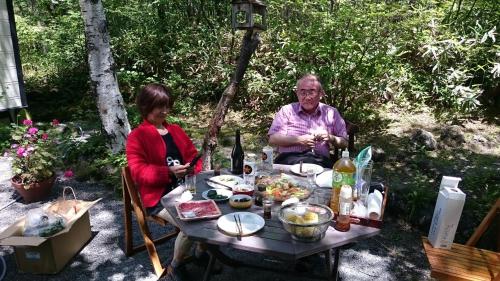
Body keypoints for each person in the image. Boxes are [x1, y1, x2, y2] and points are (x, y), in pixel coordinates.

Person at [126, 83, 202, 281]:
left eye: (167, 106)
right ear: (146, 106)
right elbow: (138, 172)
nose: (165, 111)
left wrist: (193, 167)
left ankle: (201, 253)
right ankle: (174, 267)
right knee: (193, 222)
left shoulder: (175, 130)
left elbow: (194, 156)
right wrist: (168, 173)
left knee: (217, 209)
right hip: (159, 198)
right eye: (160, 106)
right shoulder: (137, 136)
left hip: (187, 189)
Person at [268, 74, 348, 168]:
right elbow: (273, 139)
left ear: (321, 94)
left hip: (319, 161)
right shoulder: (287, 110)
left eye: (311, 92)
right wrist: (300, 140)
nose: (307, 97)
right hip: (288, 159)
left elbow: (344, 142)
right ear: (297, 93)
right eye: (303, 93)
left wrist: (330, 137)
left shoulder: (331, 112)